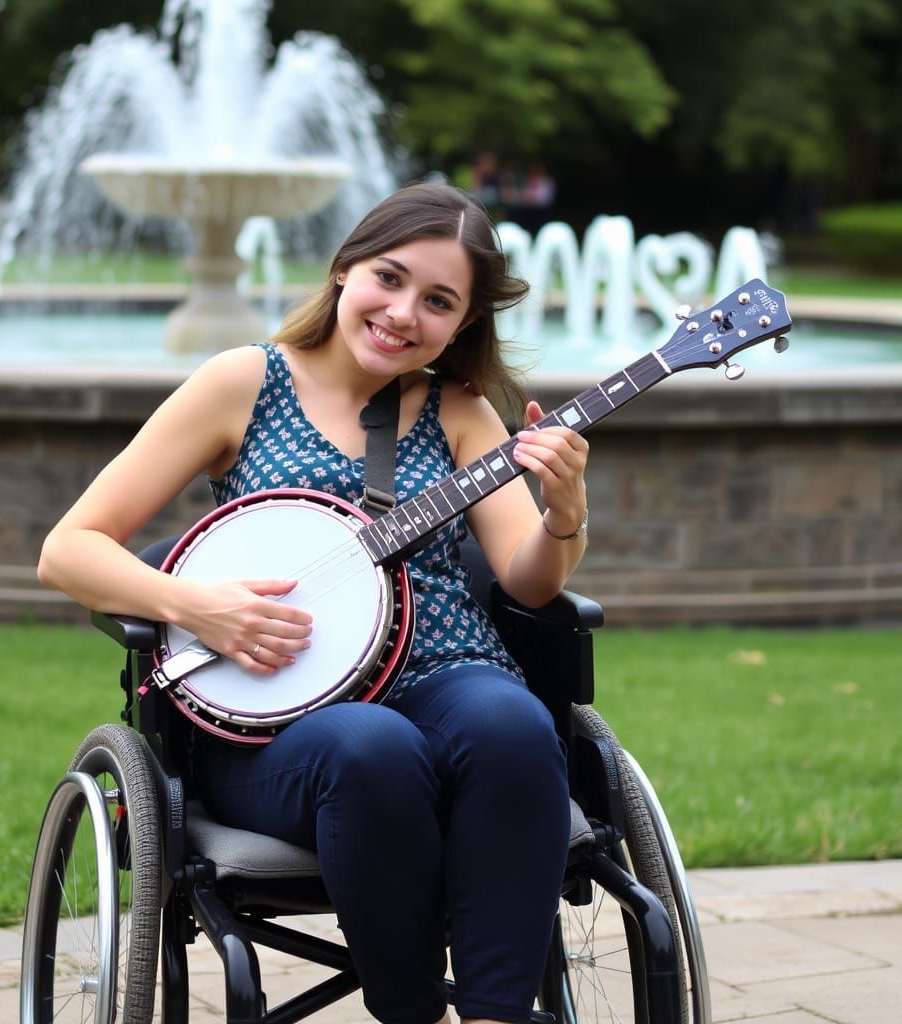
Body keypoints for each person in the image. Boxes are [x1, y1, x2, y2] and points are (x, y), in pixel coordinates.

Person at [38, 181, 590, 1024]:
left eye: (438, 301)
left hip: (448, 672)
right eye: (390, 278)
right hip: (280, 715)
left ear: (463, 324)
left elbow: (528, 582)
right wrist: (194, 605)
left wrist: (565, 515)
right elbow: (68, 549)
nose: (405, 312)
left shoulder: (463, 411)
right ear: (344, 269)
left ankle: (495, 1014)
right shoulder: (242, 382)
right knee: (373, 747)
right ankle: (412, 1010)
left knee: (514, 725)